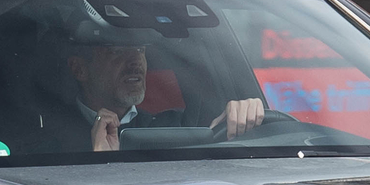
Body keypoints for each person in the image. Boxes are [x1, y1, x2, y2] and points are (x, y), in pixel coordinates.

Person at [37, 22, 266, 154]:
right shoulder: (43, 139)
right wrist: (98, 161)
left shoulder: (177, 128)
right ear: (79, 69)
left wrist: (247, 117)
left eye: (140, 50)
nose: (135, 62)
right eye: (117, 52)